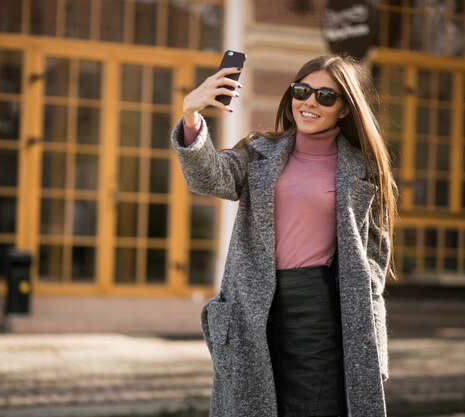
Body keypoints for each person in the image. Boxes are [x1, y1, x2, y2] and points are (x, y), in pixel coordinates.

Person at [170, 54, 397, 417]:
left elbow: (372, 270)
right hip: (251, 309)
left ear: (344, 109)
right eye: (302, 90)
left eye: (326, 96)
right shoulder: (259, 152)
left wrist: (375, 348)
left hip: (319, 313)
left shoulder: (365, 171)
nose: (309, 102)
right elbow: (208, 178)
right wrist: (191, 116)